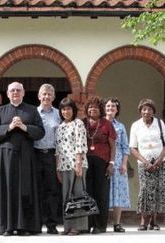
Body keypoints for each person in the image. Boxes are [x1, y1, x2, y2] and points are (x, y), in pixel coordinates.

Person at [0, 81, 45, 236]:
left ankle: (25, 226)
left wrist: (24, 127)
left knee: (25, 189)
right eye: (12, 90)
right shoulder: (0, 111)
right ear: (7, 94)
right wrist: (9, 127)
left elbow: (41, 132)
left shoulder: (32, 110)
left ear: (23, 93)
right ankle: (7, 226)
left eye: (18, 90)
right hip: (5, 157)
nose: (15, 93)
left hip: (26, 156)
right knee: (7, 189)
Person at [129, 98, 165, 231]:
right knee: (145, 190)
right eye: (144, 109)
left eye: (149, 109)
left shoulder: (160, 124)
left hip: (160, 162)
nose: (146, 112)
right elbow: (133, 147)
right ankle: (143, 221)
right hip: (143, 163)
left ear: (153, 111)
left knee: (157, 189)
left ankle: (154, 222)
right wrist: (145, 162)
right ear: (140, 112)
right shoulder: (136, 125)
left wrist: (159, 160)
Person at [82, 96, 116, 234]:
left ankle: (100, 225)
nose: (92, 109)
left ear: (100, 109)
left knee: (101, 194)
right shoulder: (82, 123)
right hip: (86, 162)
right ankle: (87, 223)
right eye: (90, 107)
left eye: (95, 107)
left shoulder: (107, 124)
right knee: (87, 193)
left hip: (103, 162)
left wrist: (111, 164)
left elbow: (113, 146)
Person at [55, 98, 88, 235]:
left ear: (73, 110)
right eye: (63, 109)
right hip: (64, 166)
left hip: (77, 164)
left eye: (68, 109)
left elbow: (80, 143)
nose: (66, 111)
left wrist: (78, 163)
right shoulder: (60, 127)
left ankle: (78, 227)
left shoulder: (78, 123)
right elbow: (57, 148)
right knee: (67, 197)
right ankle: (68, 226)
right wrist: (58, 167)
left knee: (78, 195)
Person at [34, 83, 61, 234]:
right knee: (37, 190)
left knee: (52, 191)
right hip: (36, 154)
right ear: (39, 96)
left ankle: (52, 224)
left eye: (49, 94)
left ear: (53, 97)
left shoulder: (58, 114)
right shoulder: (33, 113)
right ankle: (36, 223)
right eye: (44, 94)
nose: (46, 97)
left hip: (51, 155)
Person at [105, 98, 130, 232]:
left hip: (118, 162)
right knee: (103, 192)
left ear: (117, 110)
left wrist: (124, 164)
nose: (110, 109)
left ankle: (117, 223)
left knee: (118, 193)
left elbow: (126, 147)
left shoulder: (120, 127)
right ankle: (101, 222)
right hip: (103, 161)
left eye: (113, 107)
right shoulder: (100, 124)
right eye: (108, 106)